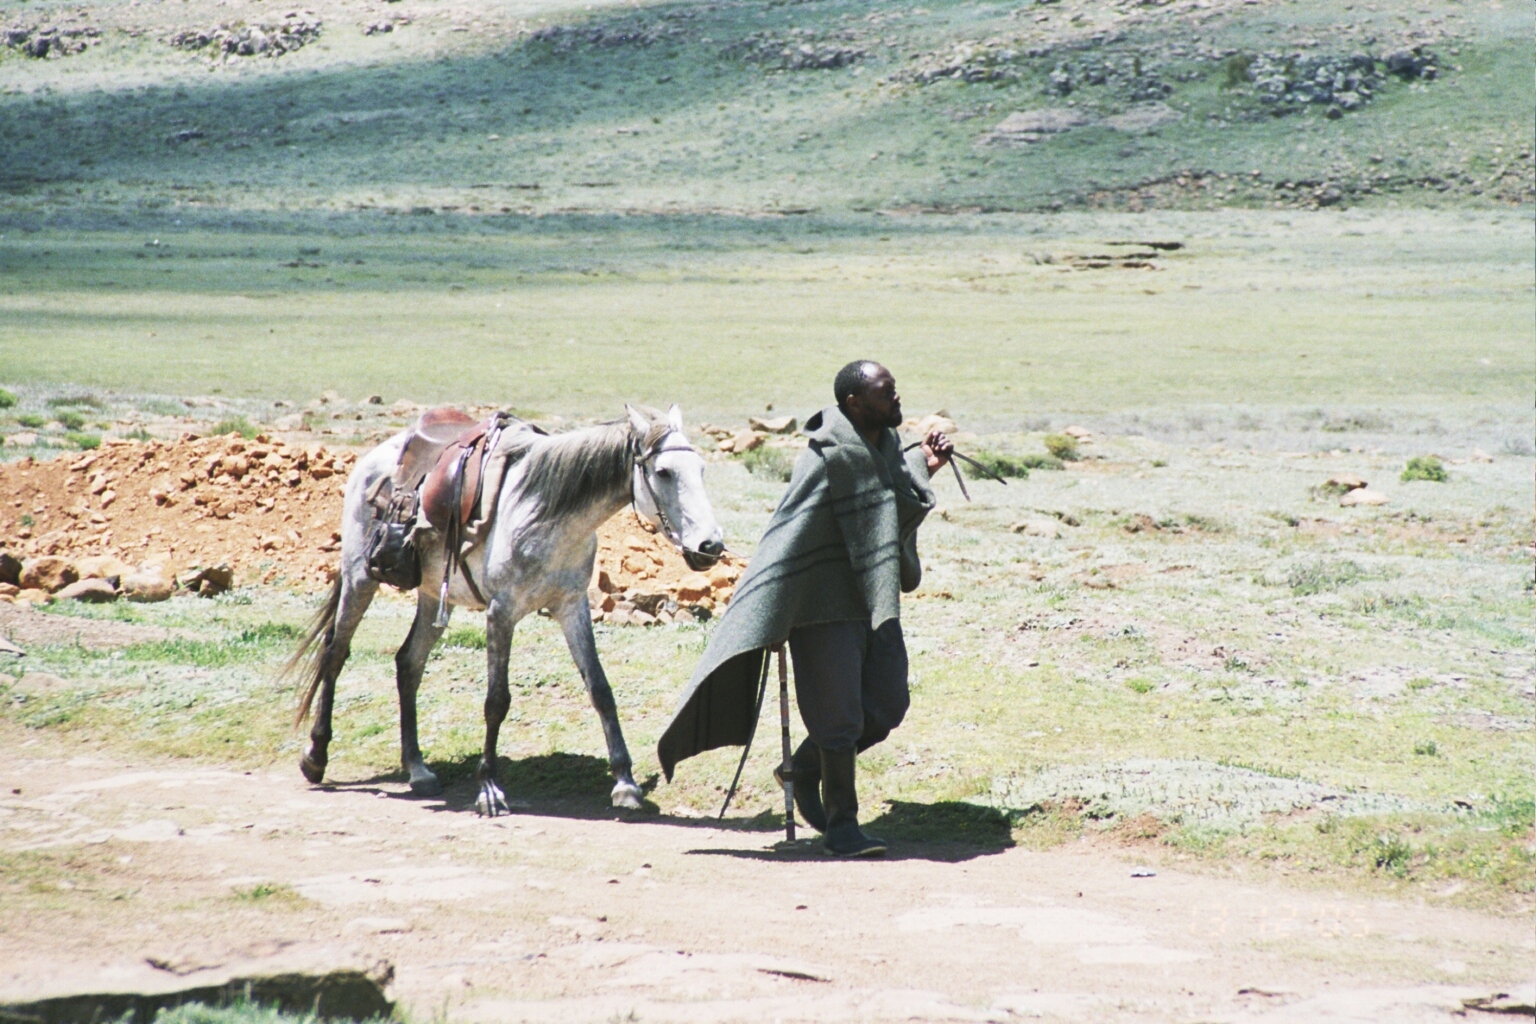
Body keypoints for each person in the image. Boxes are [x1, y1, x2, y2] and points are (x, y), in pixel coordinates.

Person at [657, 360, 952, 856]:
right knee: (838, 719)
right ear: (856, 403)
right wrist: (773, 609)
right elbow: (786, 535)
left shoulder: (879, 446)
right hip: (820, 607)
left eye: (896, 390)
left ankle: (803, 767)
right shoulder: (824, 458)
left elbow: (889, 491)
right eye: (887, 392)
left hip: (871, 600)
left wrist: (921, 461)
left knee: (886, 705)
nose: (897, 399)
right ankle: (842, 827)